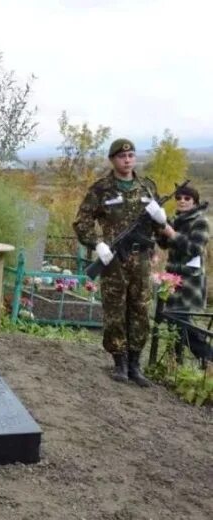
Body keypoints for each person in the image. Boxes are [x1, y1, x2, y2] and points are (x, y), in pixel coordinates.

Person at [73, 138, 168, 386]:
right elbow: (82, 223)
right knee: (115, 309)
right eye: (122, 156)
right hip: (113, 259)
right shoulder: (101, 189)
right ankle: (120, 362)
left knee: (140, 308)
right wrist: (98, 244)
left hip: (142, 258)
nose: (127, 160)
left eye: (131, 156)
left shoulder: (147, 188)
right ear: (113, 160)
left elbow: (159, 228)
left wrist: (162, 220)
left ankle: (135, 364)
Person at [156, 183, 211, 361]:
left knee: (181, 323)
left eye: (187, 198)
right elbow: (164, 245)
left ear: (194, 202)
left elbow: (195, 248)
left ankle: (208, 357)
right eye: (178, 198)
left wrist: (172, 234)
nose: (182, 201)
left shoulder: (201, 222)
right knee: (174, 323)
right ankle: (175, 361)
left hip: (190, 280)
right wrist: (161, 229)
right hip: (172, 278)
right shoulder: (176, 220)